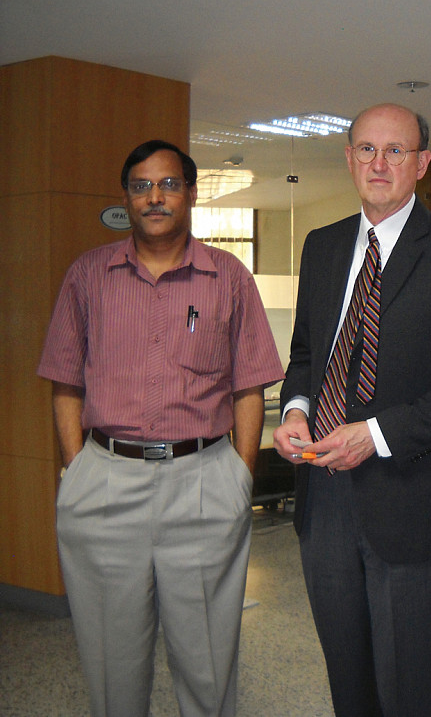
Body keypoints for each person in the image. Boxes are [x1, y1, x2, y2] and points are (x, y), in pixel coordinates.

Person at [271, 103, 431, 717]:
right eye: (367, 150)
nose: (380, 163)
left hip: (414, 503)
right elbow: (305, 354)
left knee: (415, 689)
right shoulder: (322, 248)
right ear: (349, 158)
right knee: (349, 684)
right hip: (323, 501)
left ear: (422, 163)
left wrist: (375, 435)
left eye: (396, 150)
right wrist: (296, 410)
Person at [37, 139, 285, 716]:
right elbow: (65, 381)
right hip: (104, 481)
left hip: (202, 482)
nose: (155, 197)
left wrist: (239, 479)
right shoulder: (88, 275)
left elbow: (249, 384)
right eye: (142, 186)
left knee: (207, 659)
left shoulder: (228, 278)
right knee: (110, 661)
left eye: (169, 184)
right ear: (126, 196)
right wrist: (78, 469)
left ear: (192, 194)